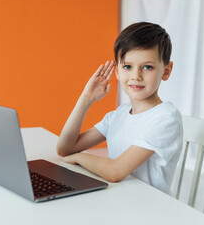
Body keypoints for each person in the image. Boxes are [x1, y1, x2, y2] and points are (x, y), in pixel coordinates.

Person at [56, 22, 183, 195]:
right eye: (127, 66)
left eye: (147, 67)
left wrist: (78, 157)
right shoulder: (119, 115)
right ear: (117, 71)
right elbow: (65, 148)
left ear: (166, 71)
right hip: (118, 198)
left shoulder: (166, 118)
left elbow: (115, 171)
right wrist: (86, 99)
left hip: (149, 209)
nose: (136, 76)